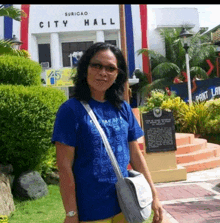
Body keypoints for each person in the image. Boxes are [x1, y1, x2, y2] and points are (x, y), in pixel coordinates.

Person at [52, 42, 163, 223]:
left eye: (110, 68)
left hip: (126, 206)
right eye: (97, 65)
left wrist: (154, 196)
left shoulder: (123, 109)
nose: (103, 73)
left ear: (117, 75)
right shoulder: (70, 110)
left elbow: (136, 155)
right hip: (90, 211)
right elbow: (64, 167)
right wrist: (71, 213)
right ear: (85, 68)